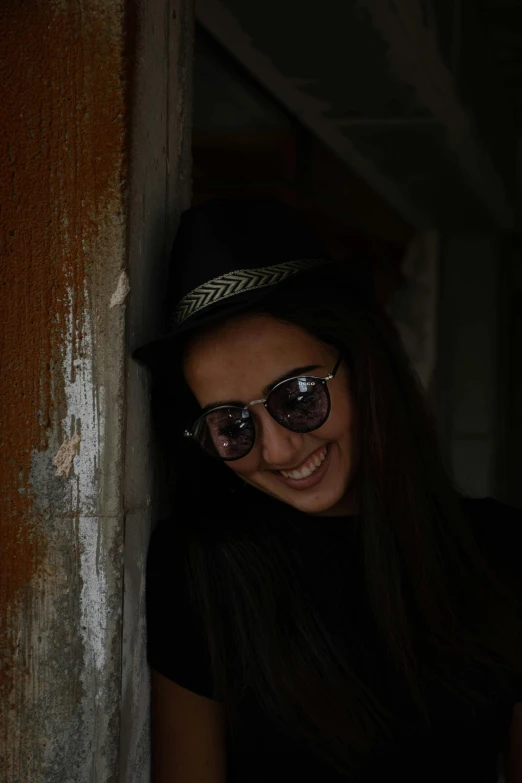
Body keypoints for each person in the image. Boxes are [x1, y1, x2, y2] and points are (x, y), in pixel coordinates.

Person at [133, 197, 522, 783]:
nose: (280, 451)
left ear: (366, 367)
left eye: (298, 397)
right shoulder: (196, 572)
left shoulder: (505, 551)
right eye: (232, 426)